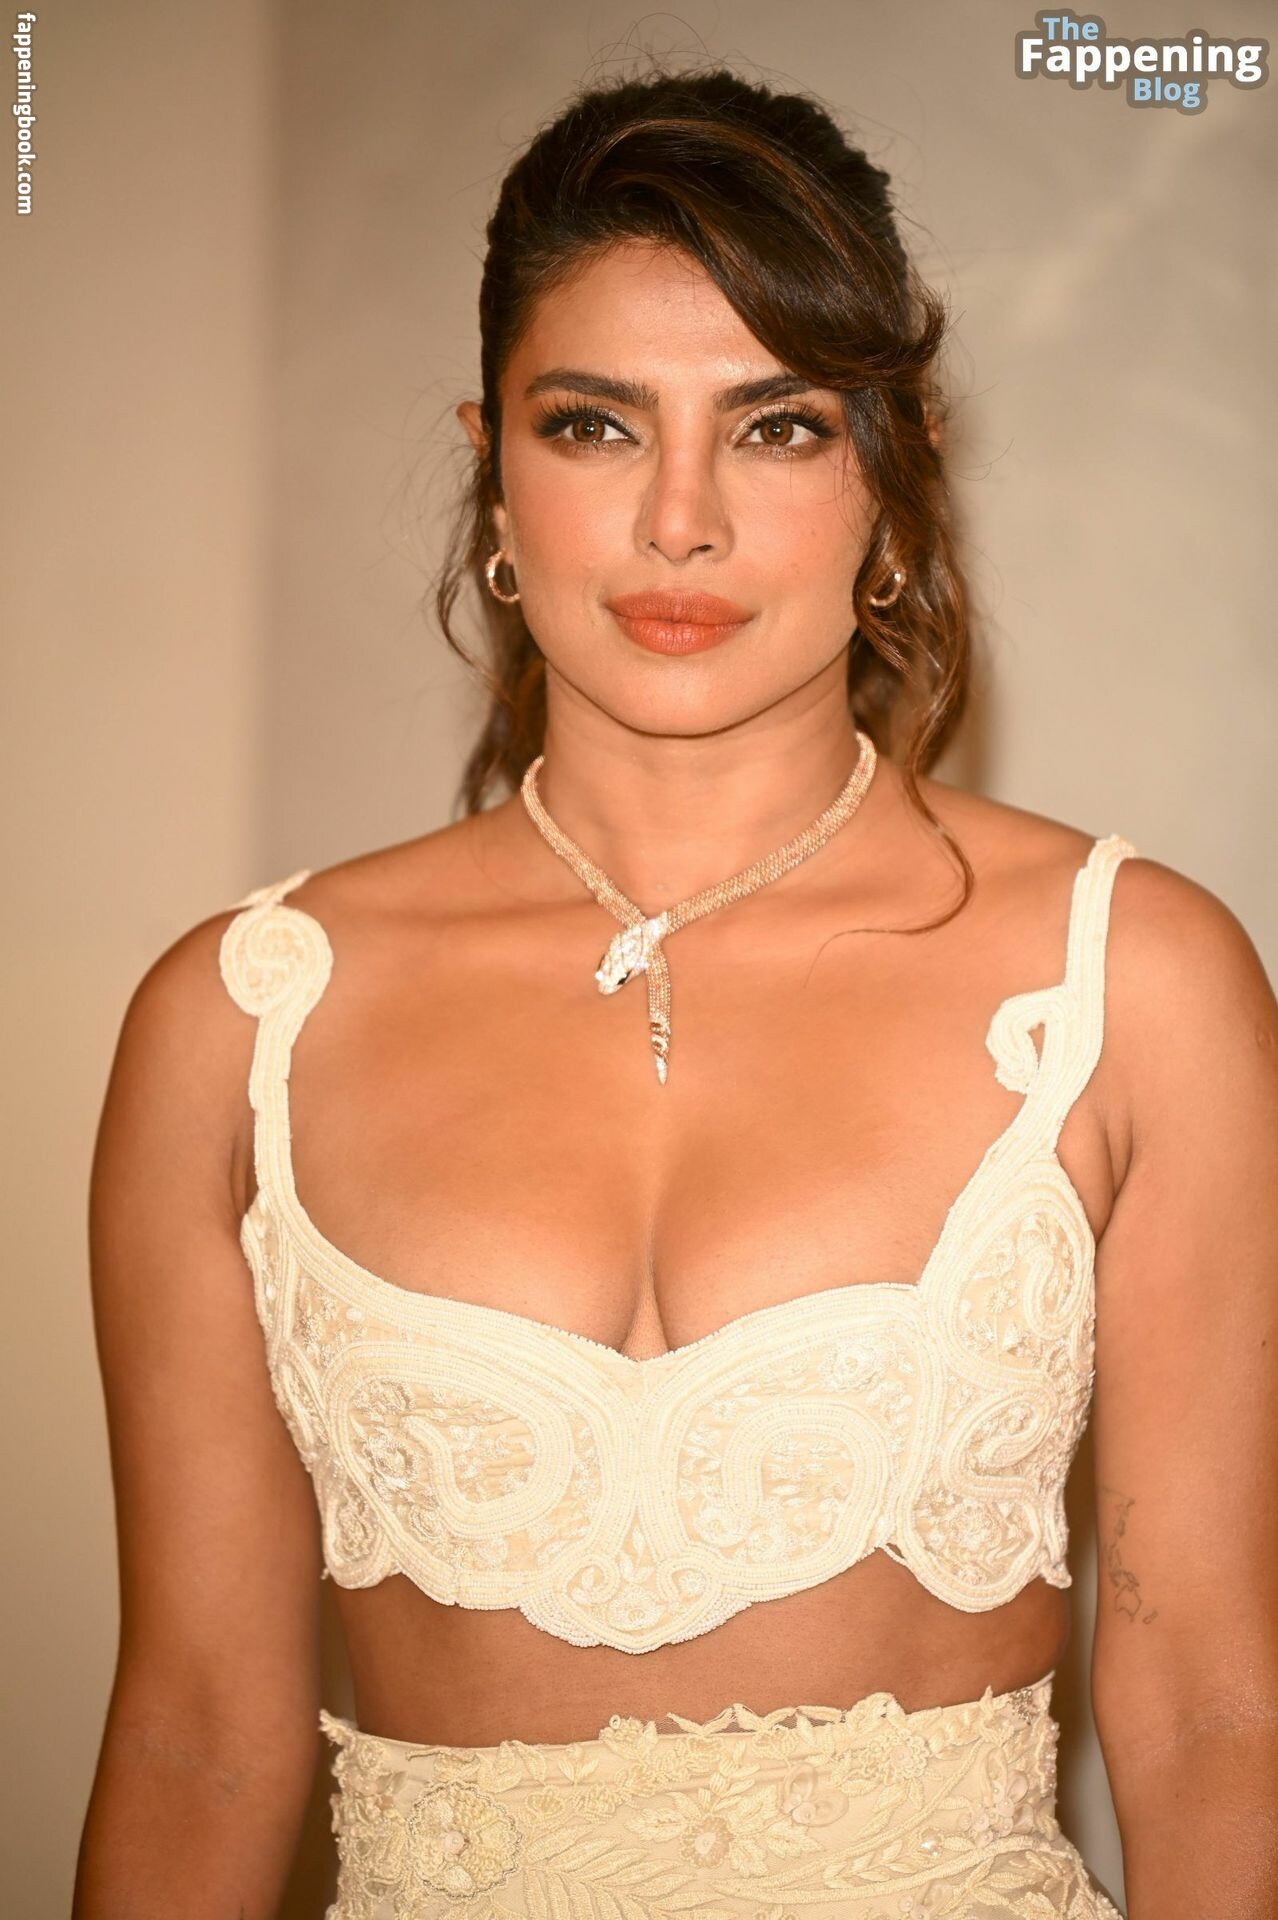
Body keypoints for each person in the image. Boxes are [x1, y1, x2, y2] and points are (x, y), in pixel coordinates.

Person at [74, 64, 1278, 1920]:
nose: (679, 522)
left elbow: (1208, 1717)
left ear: (892, 474)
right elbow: (197, 1740)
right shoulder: (235, 1022)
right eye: (595, 426)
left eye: (775, 426)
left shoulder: (1139, 980)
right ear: (494, 465)